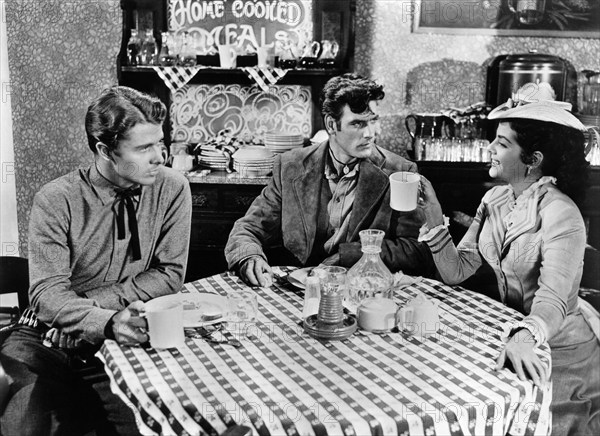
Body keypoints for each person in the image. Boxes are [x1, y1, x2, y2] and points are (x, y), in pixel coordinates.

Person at [0, 86, 192, 435]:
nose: (160, 157)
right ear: (105, 150)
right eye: (144, 148)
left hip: (125, 332)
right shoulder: (56, 199)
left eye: (160, 143)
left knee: (155, 423)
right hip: (44, 338)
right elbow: (46, 295)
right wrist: (102, 319)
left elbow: (169, 275)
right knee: (23, 424)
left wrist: (98, 317)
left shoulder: (173, 189)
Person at [418, 97, 600, 435]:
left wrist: (525, 336)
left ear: (532, 160)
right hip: (511, 334)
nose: (489, 148)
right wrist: (433, 214)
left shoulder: (562, 215)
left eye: (502, 143)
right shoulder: (495, 199)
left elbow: (554, 300)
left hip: (557, 352)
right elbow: (457, 270)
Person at [225, 73, 433, 286]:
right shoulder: (290, 167)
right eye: (358, 124)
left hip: (365, 292)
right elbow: (248, 229)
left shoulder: (400, 171)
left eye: (374, 121)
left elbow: (417, 249)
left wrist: (349, 255)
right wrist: (249, 257)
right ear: (332, 125)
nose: (370, 133)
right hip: (300, 291)